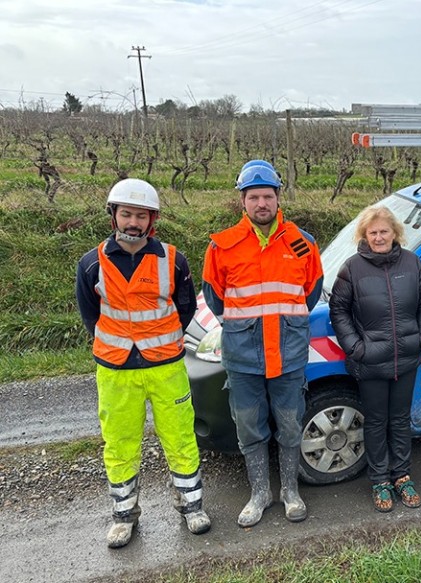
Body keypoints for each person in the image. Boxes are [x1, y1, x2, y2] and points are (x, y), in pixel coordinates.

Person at [75, 178, 210, 549]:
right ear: (113, 216)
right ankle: (124, 515)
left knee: (180, 436)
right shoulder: (91, 264)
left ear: (153, 220)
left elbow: (185, 309)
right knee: (119, 442)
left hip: (166, 366)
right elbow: (91, 315)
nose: (133, 222)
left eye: (141, 215)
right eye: (126, 214)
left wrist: (159, 342)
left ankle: (191, 505)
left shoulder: (173, 258)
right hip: (116, 370)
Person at [202, 160, 323, 526]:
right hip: (244, 356)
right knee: (249, 426)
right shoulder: (222, 247)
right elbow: (214, 298)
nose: (261, 204)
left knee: (289, 424)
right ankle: (260, 493)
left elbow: (311, 293)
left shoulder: (303, 244)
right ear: (242, 200)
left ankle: (290, 491)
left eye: (267, 196)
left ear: (277, 198)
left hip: (288, 354)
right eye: (253, 197)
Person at [329, 206, 421, 512]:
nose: (378, 237)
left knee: (400, 420)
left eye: (383, 231)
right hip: (371, 361)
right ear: (364, 235)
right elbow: (339, 311)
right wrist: (357, 348)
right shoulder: (352, 269)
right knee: (375, 422)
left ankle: (402, 476)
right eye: (372, 232)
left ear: (395, 233)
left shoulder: (412, 263)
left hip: (407, 357)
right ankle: (380, 481)